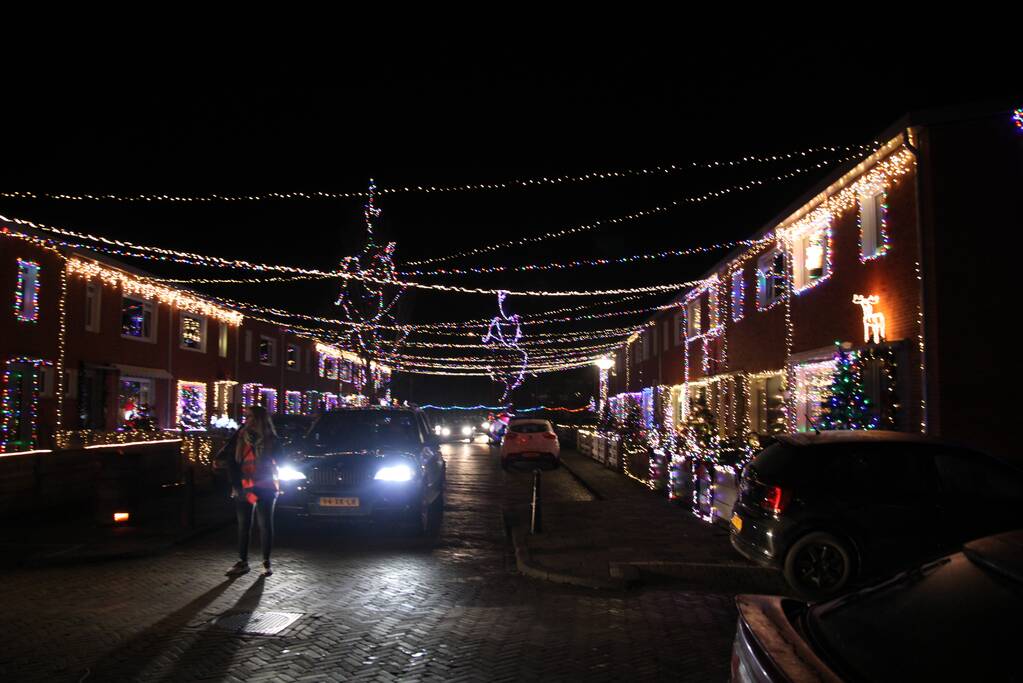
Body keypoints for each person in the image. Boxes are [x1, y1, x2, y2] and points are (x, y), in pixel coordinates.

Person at [223, 405, 280, 577]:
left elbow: (281, 458)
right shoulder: (239, 437)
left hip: (266, 486)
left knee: (265, 525)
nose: (246, 420)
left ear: (259, 419)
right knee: (244, 525)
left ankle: (266, 562)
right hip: (245, 486)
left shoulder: (271, 439)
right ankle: (242, 562)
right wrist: (236, 484)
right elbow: (231, 461)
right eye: (246, 416)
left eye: (250, 416)